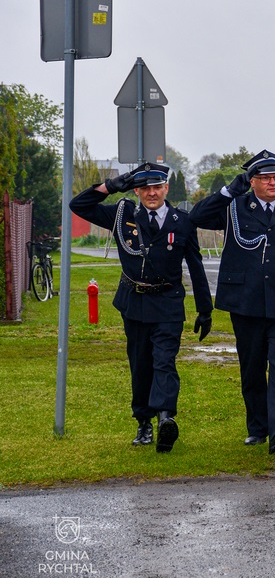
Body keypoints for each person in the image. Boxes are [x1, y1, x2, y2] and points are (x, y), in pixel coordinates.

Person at [189, 150, 275, 455]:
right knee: (252, 369)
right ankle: (258, 427)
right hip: (247, 303)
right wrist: (228, 191)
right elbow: (196, 217)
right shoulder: (234, 208)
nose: (273, 182)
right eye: (265, 178)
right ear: (251, 181)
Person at [69, 163, 212, 453]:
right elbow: (78, 205)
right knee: (141, 364)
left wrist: (204, 310)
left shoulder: (182, 221)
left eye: (157, 187)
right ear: (136, 191)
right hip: (134, 302)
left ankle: (165, 418)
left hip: (168, 302)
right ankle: (144, 422)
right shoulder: (122, 215)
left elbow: (196, 266)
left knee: (164, 361)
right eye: (145, 188)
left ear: (166, 188)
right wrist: (111, 186)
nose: (152, 193)